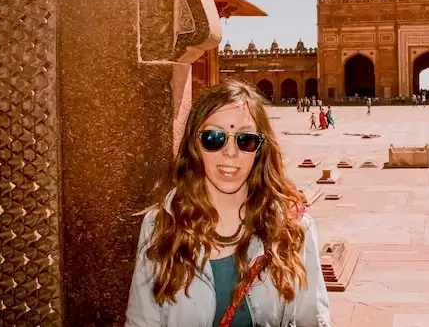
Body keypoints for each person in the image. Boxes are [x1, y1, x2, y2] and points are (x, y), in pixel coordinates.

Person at [125, 80, 330, 327]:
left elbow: (313, 320)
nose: (230, 152)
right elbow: (142, 322)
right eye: (214, 138)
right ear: (194, 145)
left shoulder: (292, 228)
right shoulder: (161, 226)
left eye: (245, 139)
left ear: (260, 149)